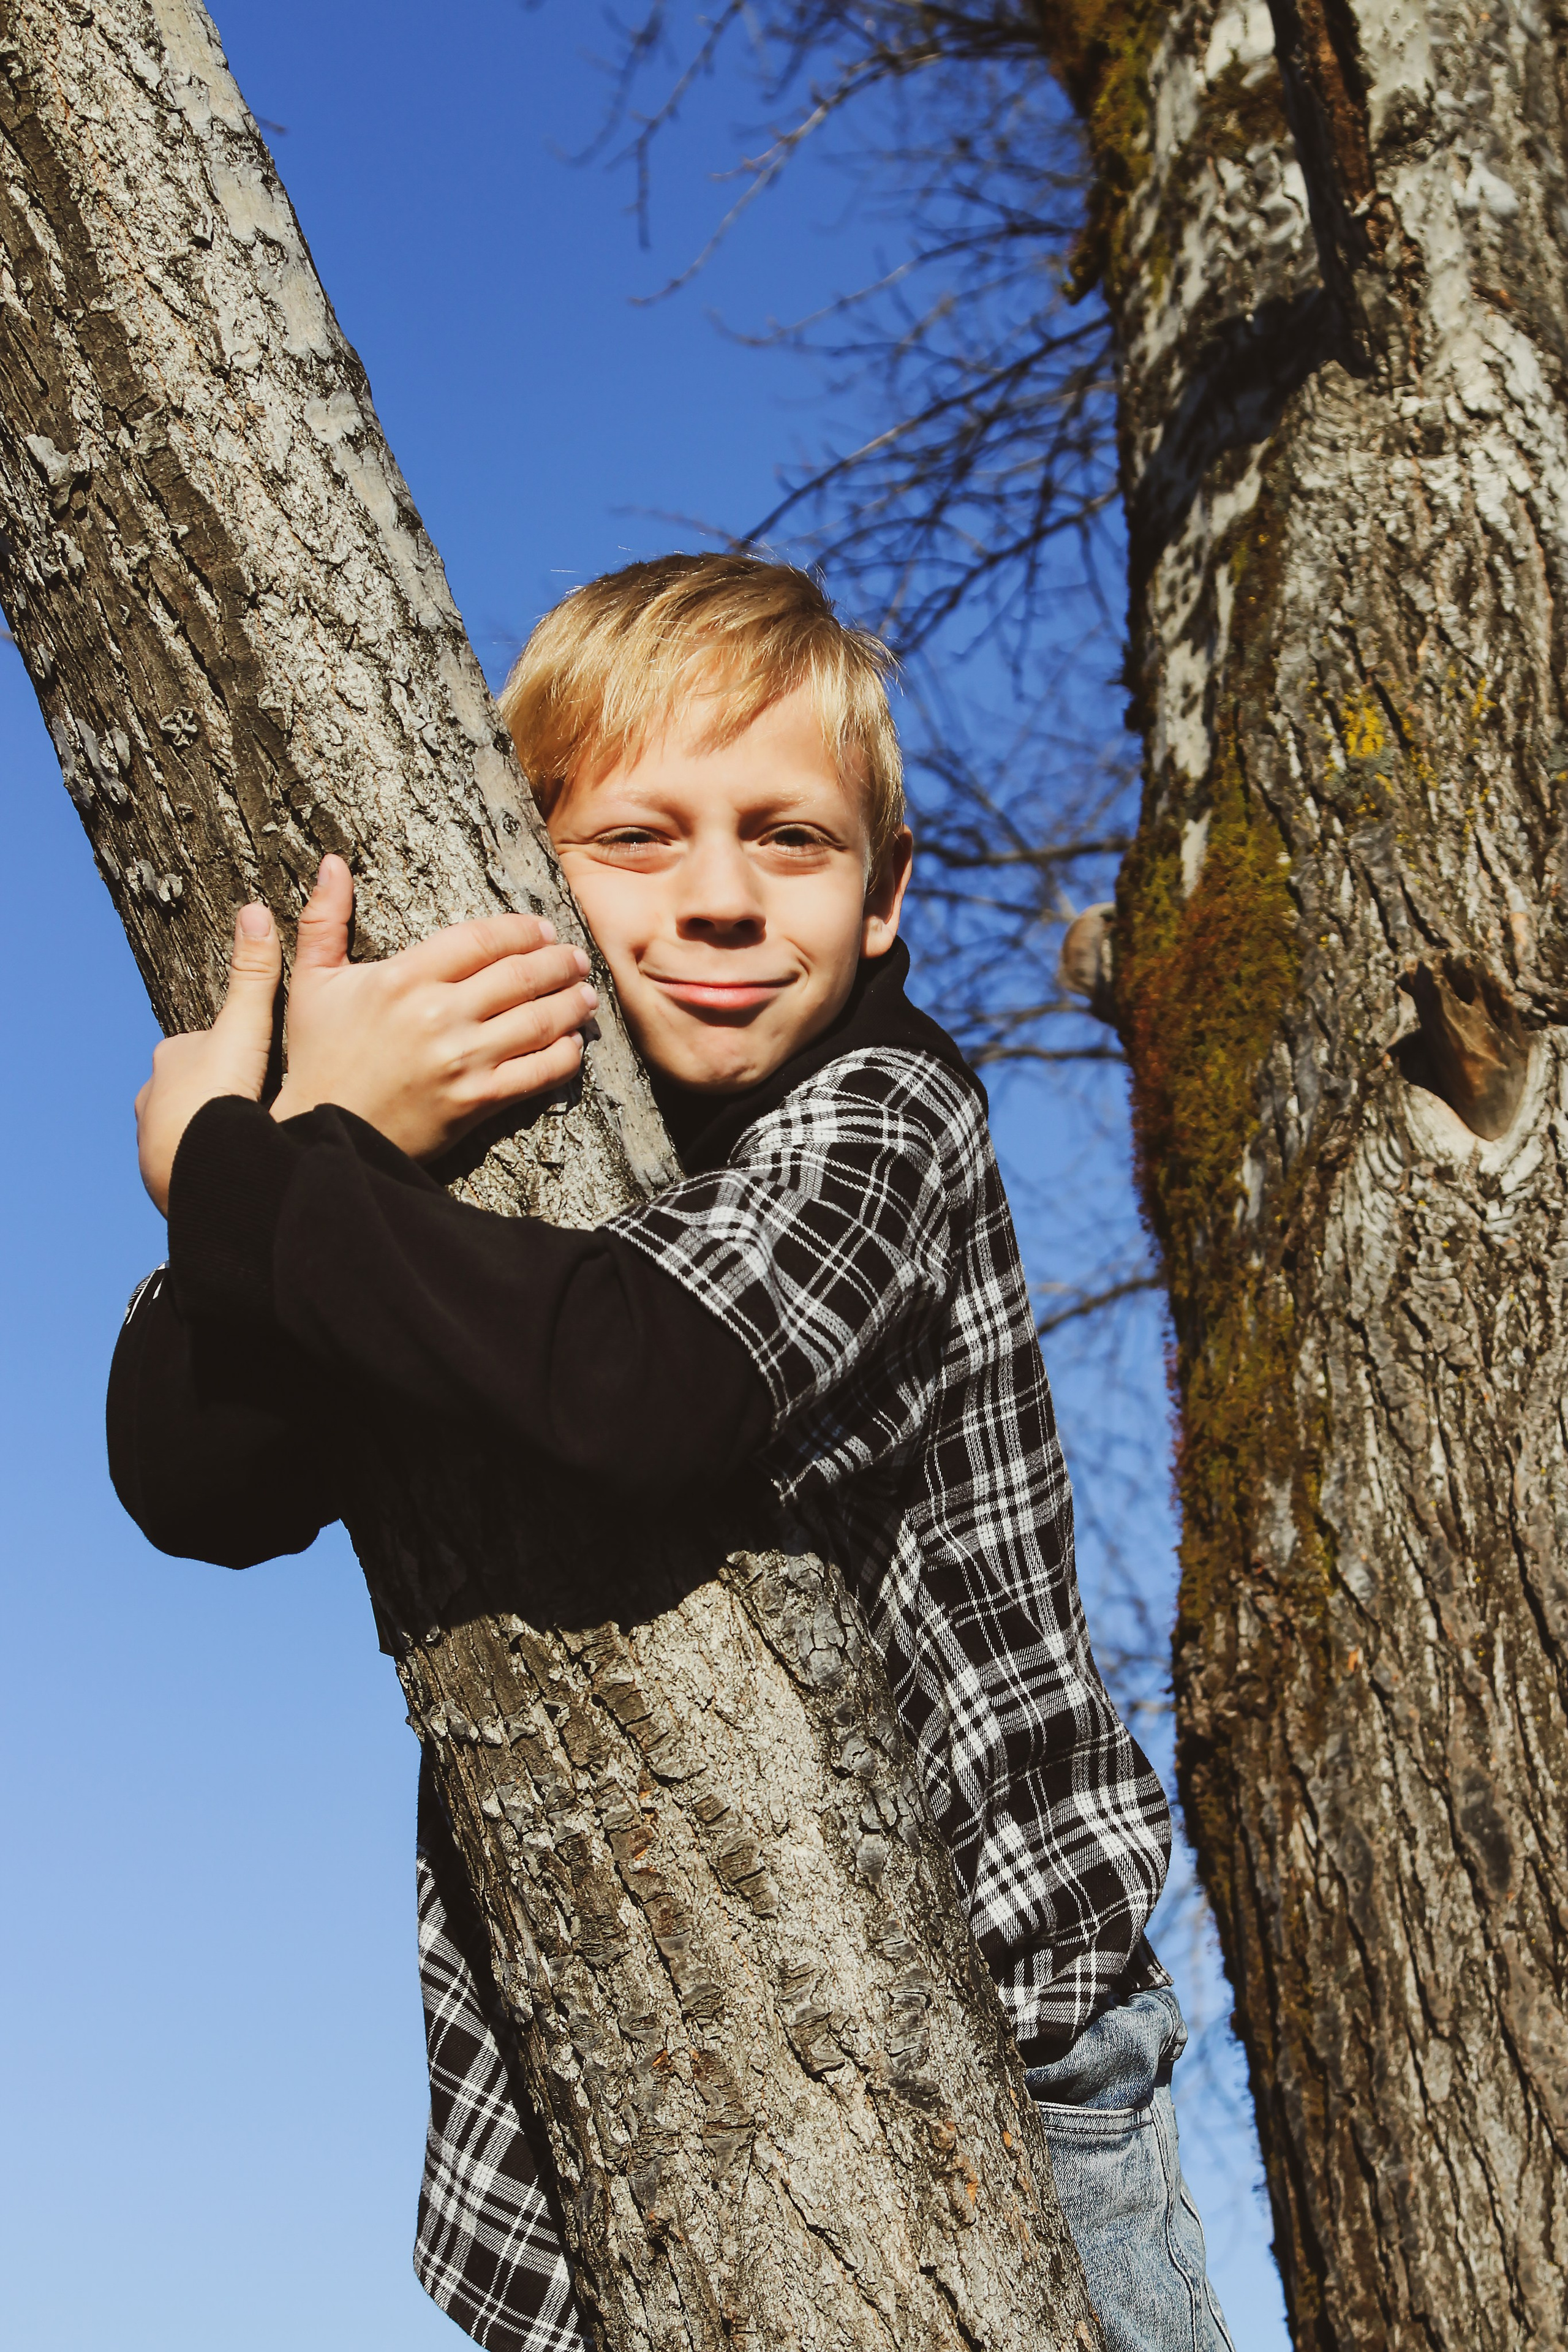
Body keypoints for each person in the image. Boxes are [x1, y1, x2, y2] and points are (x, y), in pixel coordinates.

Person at [107, 554, 1235, 2352]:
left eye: (792, 839)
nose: (719, 900)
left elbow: (639, 1386)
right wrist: (332, 1132)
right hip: (613, 2118)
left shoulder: (886, 1116)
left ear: (884, 896)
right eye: (635, 839)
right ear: (513, 858)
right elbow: (197, 1488)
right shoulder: (491, 1172)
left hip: (1004, 2083)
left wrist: (240, 1171)